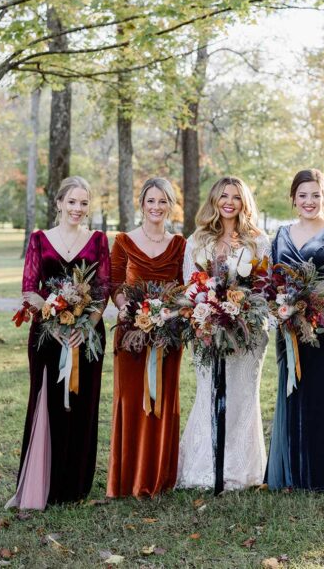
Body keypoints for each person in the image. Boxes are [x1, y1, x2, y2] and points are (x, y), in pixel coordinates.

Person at [6, 176, 110, 510]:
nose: (77, 209)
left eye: (84, 203)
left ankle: (73, 486)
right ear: (59, 203)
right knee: (46, 402)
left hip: (87, 335)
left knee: (81, 404)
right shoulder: (40, 239)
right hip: (46, 336)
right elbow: (28, 289)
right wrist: (52, 319)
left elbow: (103, 290)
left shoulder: (97, 240)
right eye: (72, 202)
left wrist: (86, 324)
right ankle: (39, 482)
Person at [176, 176, 270, 490]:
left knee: (243, 395)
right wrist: (208, 313)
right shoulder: (198, 240)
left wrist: (242, 312)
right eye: (223, 196)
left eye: (236, 197)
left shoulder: (258, 241)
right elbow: (190, 287)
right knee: (209, 392)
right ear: (214, 200)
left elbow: (264, 289)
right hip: (207, 326)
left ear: (245, 203)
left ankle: (241, 470)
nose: (229, 202)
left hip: (248, 333)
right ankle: (204, 469)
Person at [266, 169, 324, 491]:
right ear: (293, 198)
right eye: (303, 195)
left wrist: (311, 306)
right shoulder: (282, 233)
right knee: (294, 393)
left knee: (323, 397)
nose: (309, 201)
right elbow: (274, 278)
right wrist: (286, 307)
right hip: (289, 324)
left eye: (315, 195)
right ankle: (292, 475)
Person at [107, 178, 186, 498]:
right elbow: (113, 284)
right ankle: (126, 479)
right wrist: (129, 310)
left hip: (168, 336)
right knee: (131, 402)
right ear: (141, 203)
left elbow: (183, 288)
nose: (156, 207)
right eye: (151, 200)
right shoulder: (124, 241)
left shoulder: (180, 244)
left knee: (163, 403)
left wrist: (167, 315)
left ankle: (159, 477)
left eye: (163, 201)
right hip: (131, 336)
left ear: (170, 205)